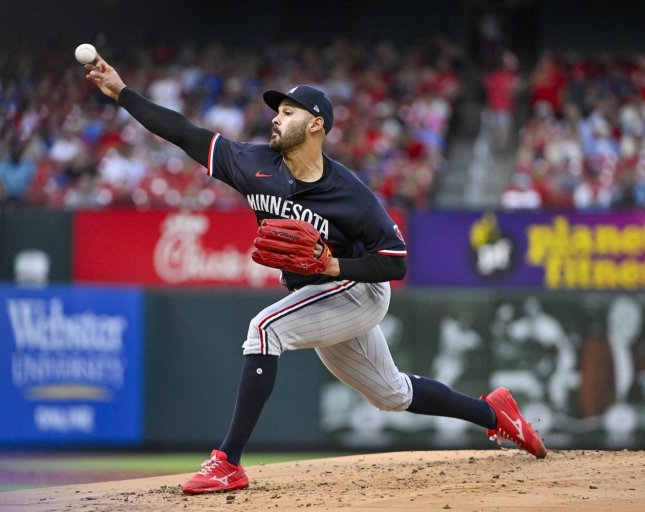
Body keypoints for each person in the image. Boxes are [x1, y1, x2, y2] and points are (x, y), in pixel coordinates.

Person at [84, 52, 547, 495]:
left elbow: (396, 260)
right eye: (277, 111)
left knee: (263, 329)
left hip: (357, 290)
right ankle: (495, 414)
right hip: (319, 297)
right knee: (392, 395)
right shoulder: (252, 163)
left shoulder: (349, 193)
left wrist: (331, 264)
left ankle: (228, 464)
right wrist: (121, 91)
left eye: (287, 112)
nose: (276, 118)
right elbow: (184, 133)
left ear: (316, 124)